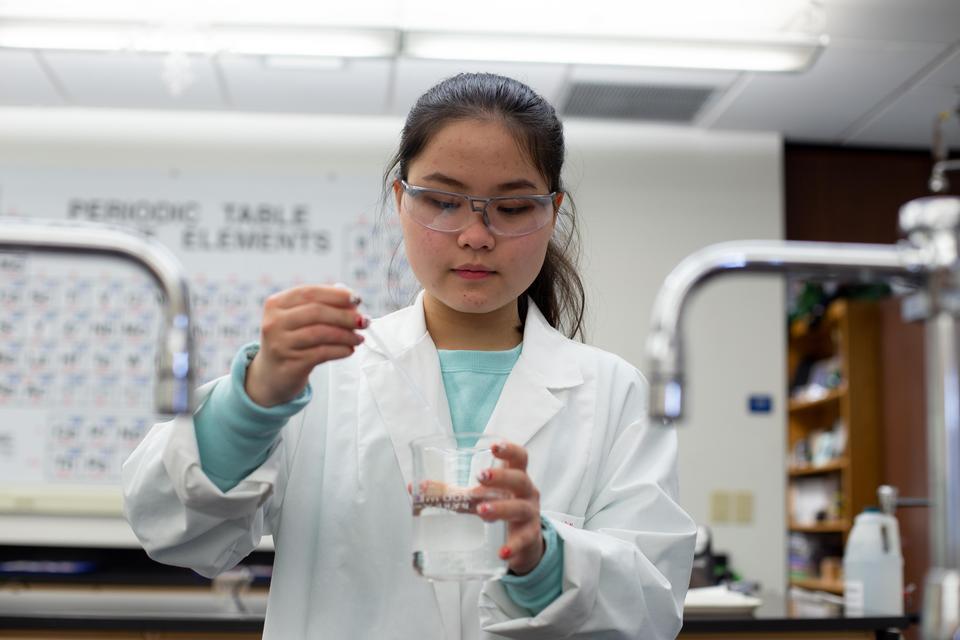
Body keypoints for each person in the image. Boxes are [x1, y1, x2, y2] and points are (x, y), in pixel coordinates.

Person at [122, 72, 696, 639]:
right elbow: (171, 528)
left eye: (513, 207)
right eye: (444, 202)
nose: (476, 234)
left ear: (551, 212)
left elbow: (651, 609)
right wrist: (252, 405)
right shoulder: (321, 375)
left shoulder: (613, 395)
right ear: (401, 199)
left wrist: (544, 559)